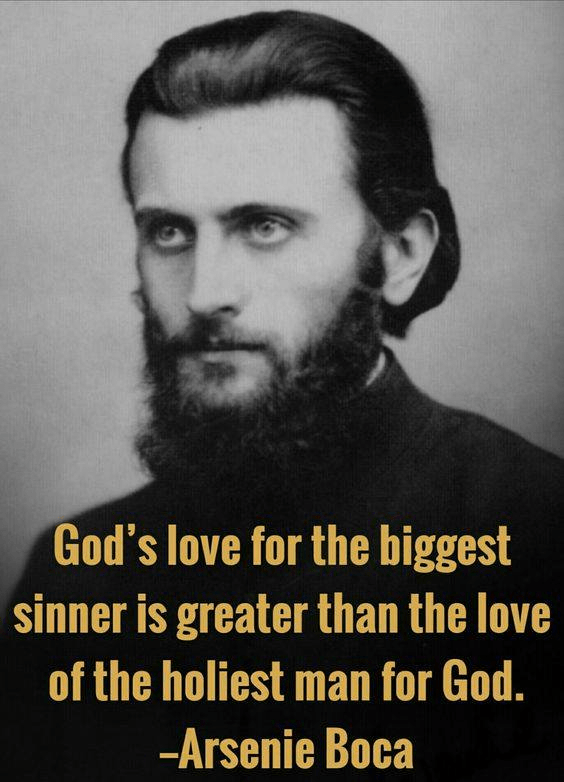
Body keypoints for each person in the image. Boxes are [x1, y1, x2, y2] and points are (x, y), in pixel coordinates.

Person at [2, 10, 562, 780]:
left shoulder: (537, 540)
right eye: (169, 232)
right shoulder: (78, 582)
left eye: (265, 226)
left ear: (401, 253)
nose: (204, 293)